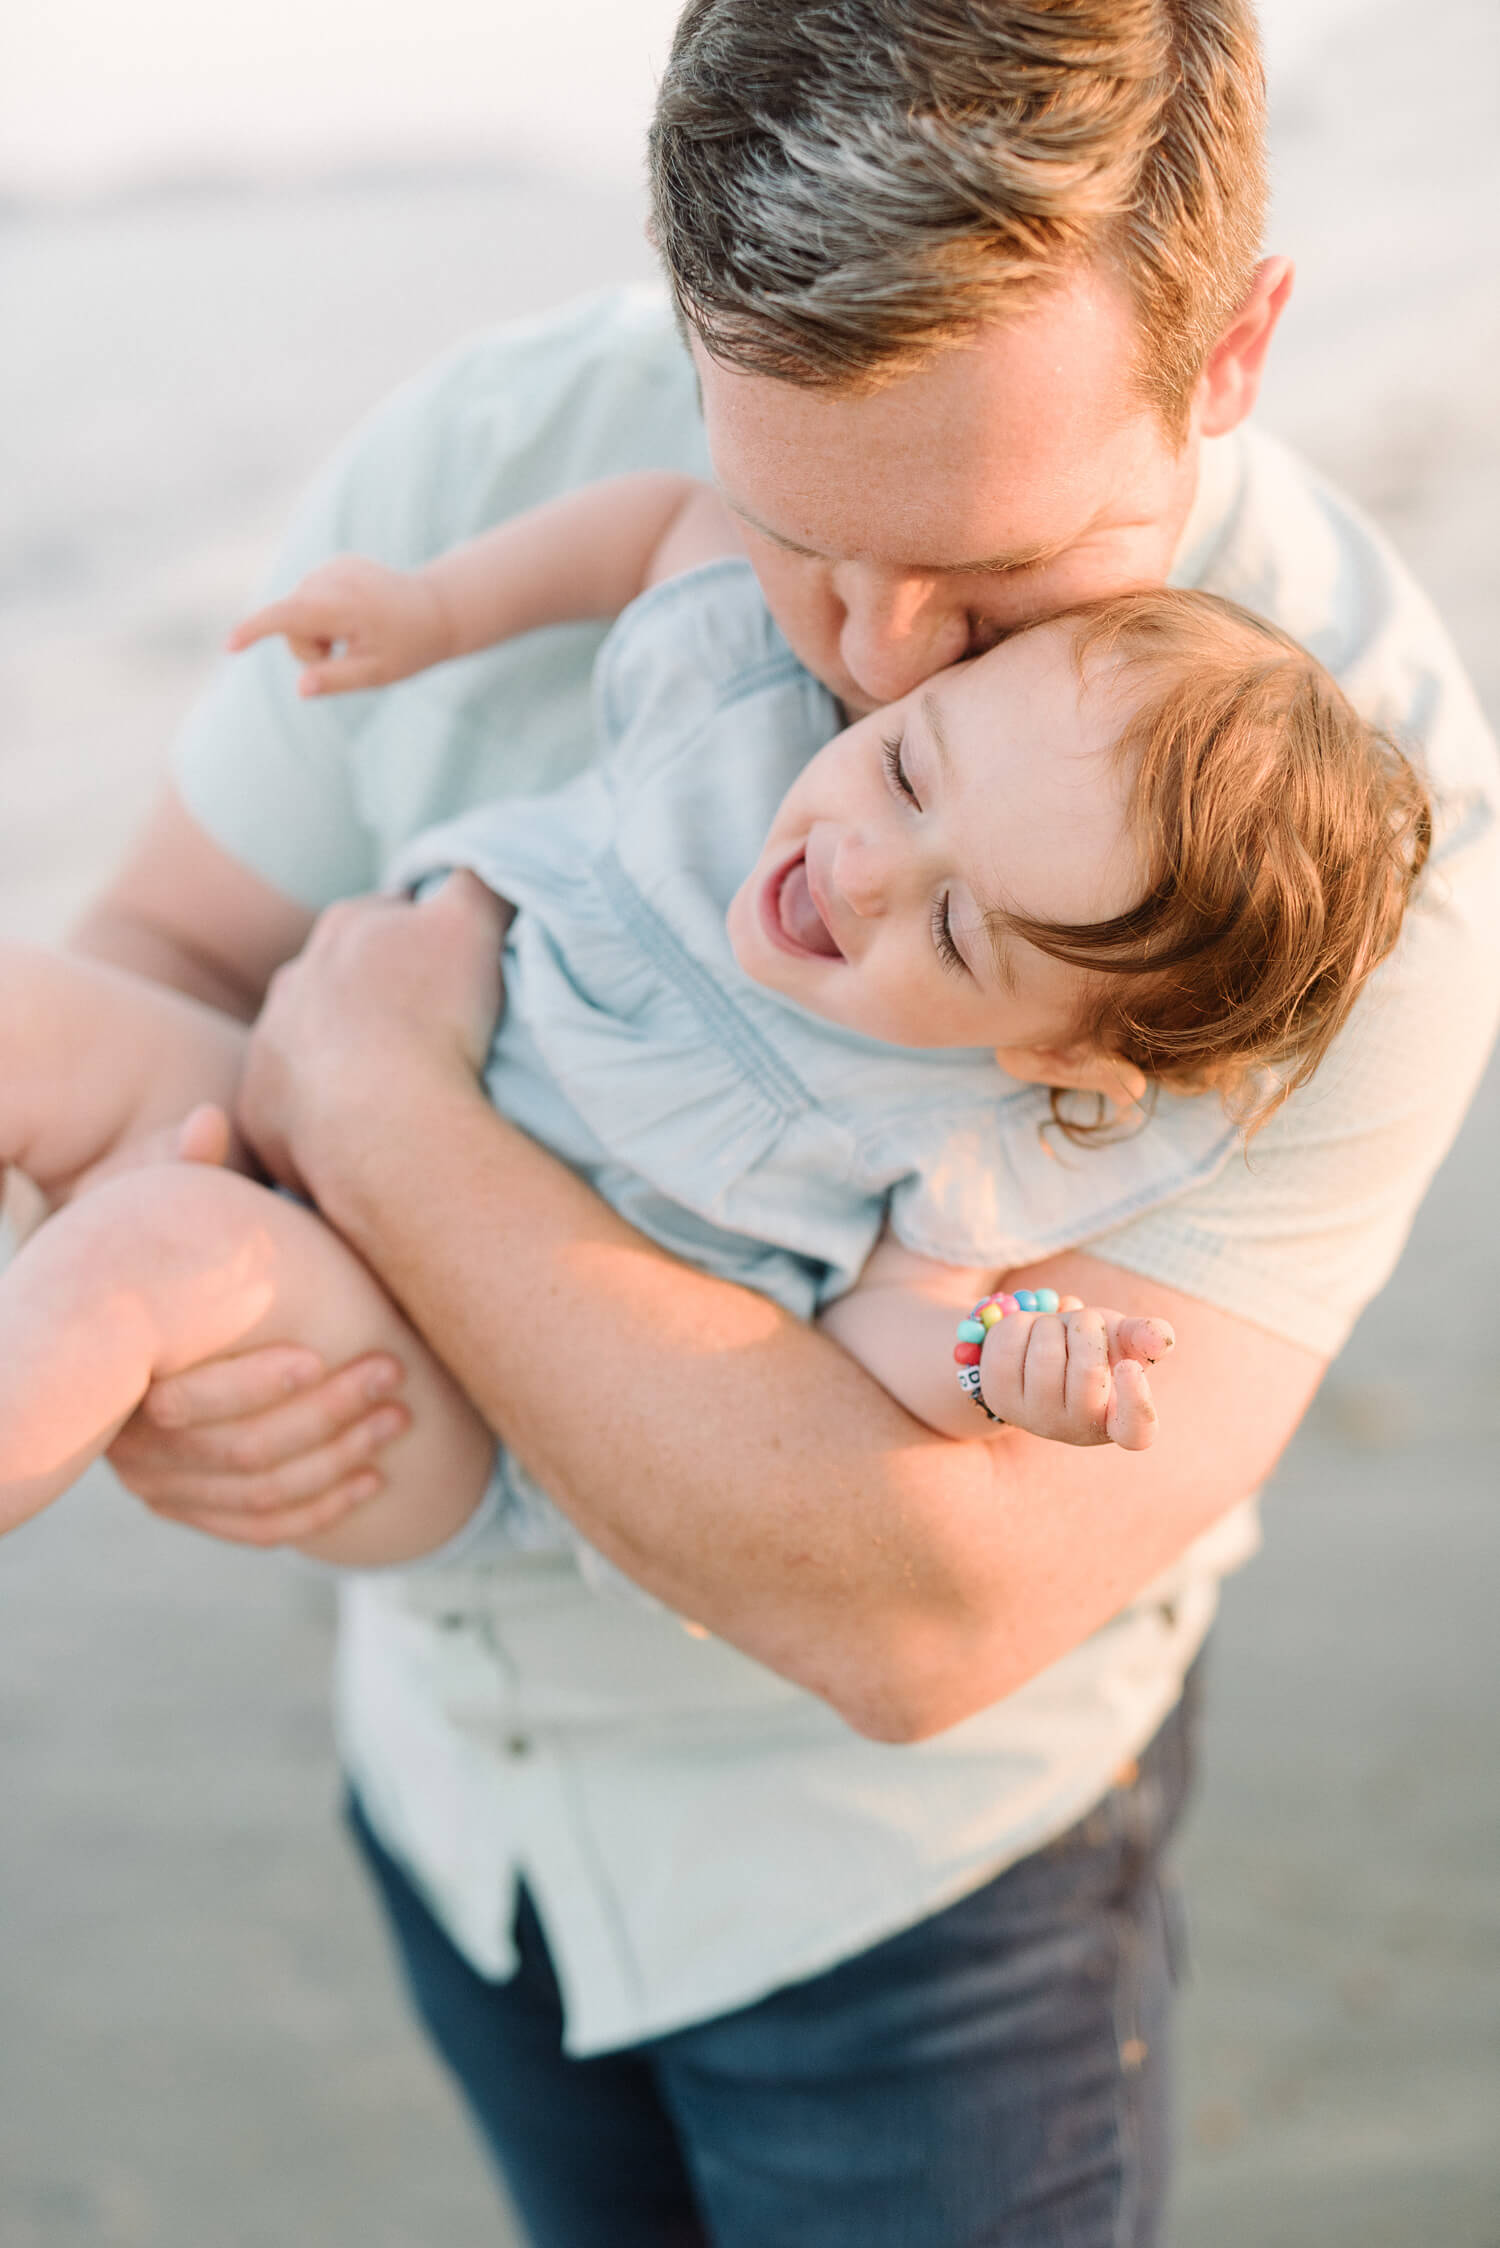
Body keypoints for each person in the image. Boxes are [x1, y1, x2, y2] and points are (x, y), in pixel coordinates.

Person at [69, 3, 1500, 2241]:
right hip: (455, 1804)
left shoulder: (1350, 866)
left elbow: (915, 1603)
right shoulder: (498, 455)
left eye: (1000, 569)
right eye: (799, 525)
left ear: (1230, 353)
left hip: (903, 1911)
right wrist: (145, 1294)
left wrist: (372, 1108)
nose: (874, 658)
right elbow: (157, 958)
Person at [4, 467, 1428, 1536]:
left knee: (156, 1246)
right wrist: (438, 610)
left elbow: (891, 1336)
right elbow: (663, 528)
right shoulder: (746, 714)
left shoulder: (961, 1126)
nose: (864, 866)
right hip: (282, 1086)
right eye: (910, 773)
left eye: (951, 924)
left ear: (1056, 1042)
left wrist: (1006, 1366)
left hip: (436, 1385)